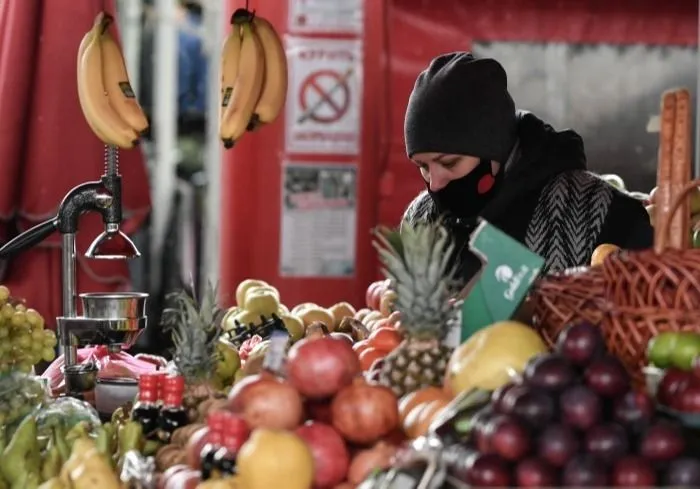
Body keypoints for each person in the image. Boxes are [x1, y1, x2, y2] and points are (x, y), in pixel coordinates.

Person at [401, 52, 653, 277]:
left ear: (495, 148)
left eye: (449, 162)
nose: (435, 183)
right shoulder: (420, 220)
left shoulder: (600, 213)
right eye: (422, 166)